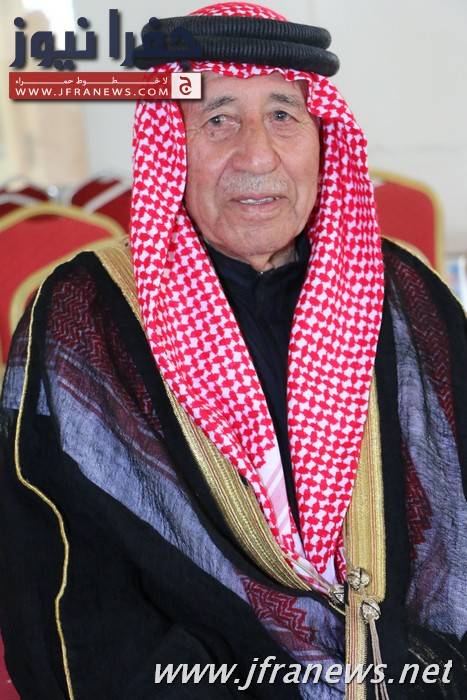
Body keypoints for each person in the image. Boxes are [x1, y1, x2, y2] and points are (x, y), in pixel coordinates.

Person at [0, 3, 466, 698]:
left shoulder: (407, 293)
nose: (257, 155)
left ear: (321, 136)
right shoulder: (83, 315)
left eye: (283, 115)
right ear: (170, 145)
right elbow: (70, 595)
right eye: (218, 119)